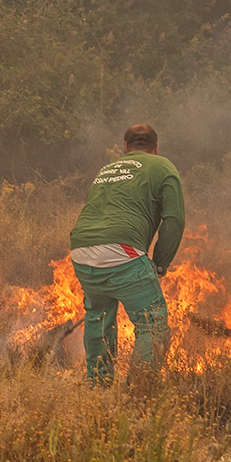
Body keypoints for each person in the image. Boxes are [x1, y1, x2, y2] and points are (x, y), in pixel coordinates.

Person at [68, 123, 185, 385]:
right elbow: (174, 220)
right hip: (123, 251)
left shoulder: (107, 169)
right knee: (152, 325)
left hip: (81, 251)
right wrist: (160, 263)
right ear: (155, 148)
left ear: (125, 147)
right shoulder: (162, 166)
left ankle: (98, 387)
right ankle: (138, 393)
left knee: (98, 316)